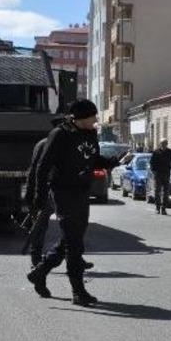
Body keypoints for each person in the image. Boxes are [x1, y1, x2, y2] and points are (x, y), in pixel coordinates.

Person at [26, 100, 108, 306]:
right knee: (74, 244)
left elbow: (93, 159)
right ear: (80, 117)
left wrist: (113, 161)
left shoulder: (89, 134)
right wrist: (38, 195)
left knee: (70, 239)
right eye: (93, 116)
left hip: (82, 191)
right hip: (63, 192)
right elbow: (42, 167)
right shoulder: (60, 134)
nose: (96, 120)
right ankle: (78, 291)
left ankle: (40, 271)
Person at [149, 138, 171, 215]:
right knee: (157, 191)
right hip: (158, 173)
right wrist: (153, 171)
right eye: (162, 143)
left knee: (166, 191)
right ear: (160, 144)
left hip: (166, 173)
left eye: (165, 143)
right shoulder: (156, 152)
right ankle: (157, 207)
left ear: (167, 144)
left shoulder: (170, 152)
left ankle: (164, 208)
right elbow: (152, 162)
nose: (164, 145)